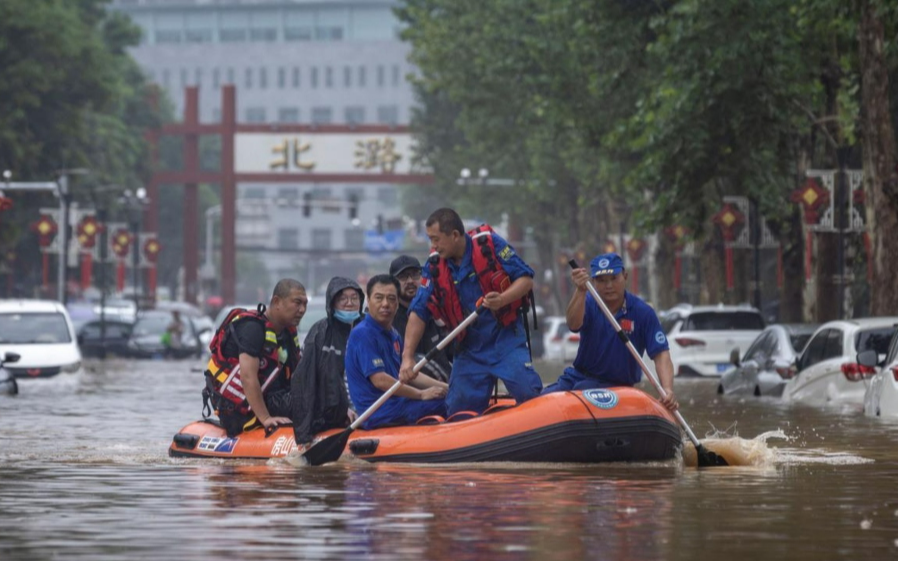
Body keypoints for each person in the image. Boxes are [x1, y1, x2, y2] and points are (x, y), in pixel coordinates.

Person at [399, 208, 543, 416]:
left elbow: (526, 279)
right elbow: (418, 311)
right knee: (459, 410)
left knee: (528, 391)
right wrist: (407, 357)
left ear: (455, 235)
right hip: (469, 350)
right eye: (430, 240)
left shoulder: (490, 244)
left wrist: (502, 299)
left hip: (505, 341)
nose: (433, 246)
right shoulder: (434, 266)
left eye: (436, 239)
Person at [542, 253, 679, 412]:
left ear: (625, 276)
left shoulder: (643, 313)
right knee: (540, 401)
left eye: (614, 278)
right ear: (593, 282)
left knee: (582, 395)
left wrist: (667, 389)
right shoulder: (587, 302)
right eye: (601, 280)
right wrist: (580, 290)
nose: (608, 286)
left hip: (615, 388)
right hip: (578, 376)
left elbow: (661, 354)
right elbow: (573, 324)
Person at [202, 279, 306, 437]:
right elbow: (247, 377)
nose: (302, 310)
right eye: (297, 303)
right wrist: (266, 419)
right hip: (240, 410)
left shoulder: (288, 333)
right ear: (276, 301)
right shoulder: (253, 329)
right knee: (311, 403)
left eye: (305, 304)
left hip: (274, 398)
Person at [345, 274, 448, 429]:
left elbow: (408, 374)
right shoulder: (363, 333)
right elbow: (380, 380)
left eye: (391, 299)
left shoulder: (393, 334)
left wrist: (446, 387)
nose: (385, 304)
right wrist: (421, 394)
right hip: (378, 412)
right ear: (368, 300)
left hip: (397, 404)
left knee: (451, 395)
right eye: (379, 298)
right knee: (447, 404)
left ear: (397, 304)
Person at [291, 277, 362, 446]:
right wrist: (304, 435)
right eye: (343, 299)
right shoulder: (320, 333)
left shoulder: (368, 328)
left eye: (354, 298)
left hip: (366, 405)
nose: (349, 303)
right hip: (333, 412)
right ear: (332, 302)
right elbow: (305, 381)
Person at [390, 254, 453, 383]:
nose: (410, 281)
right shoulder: (389, 320)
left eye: (415, 275)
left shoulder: (436, 311)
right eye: (402, 277)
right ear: (392, 283)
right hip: (412, 392)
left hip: (448, 387)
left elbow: (455, 352)